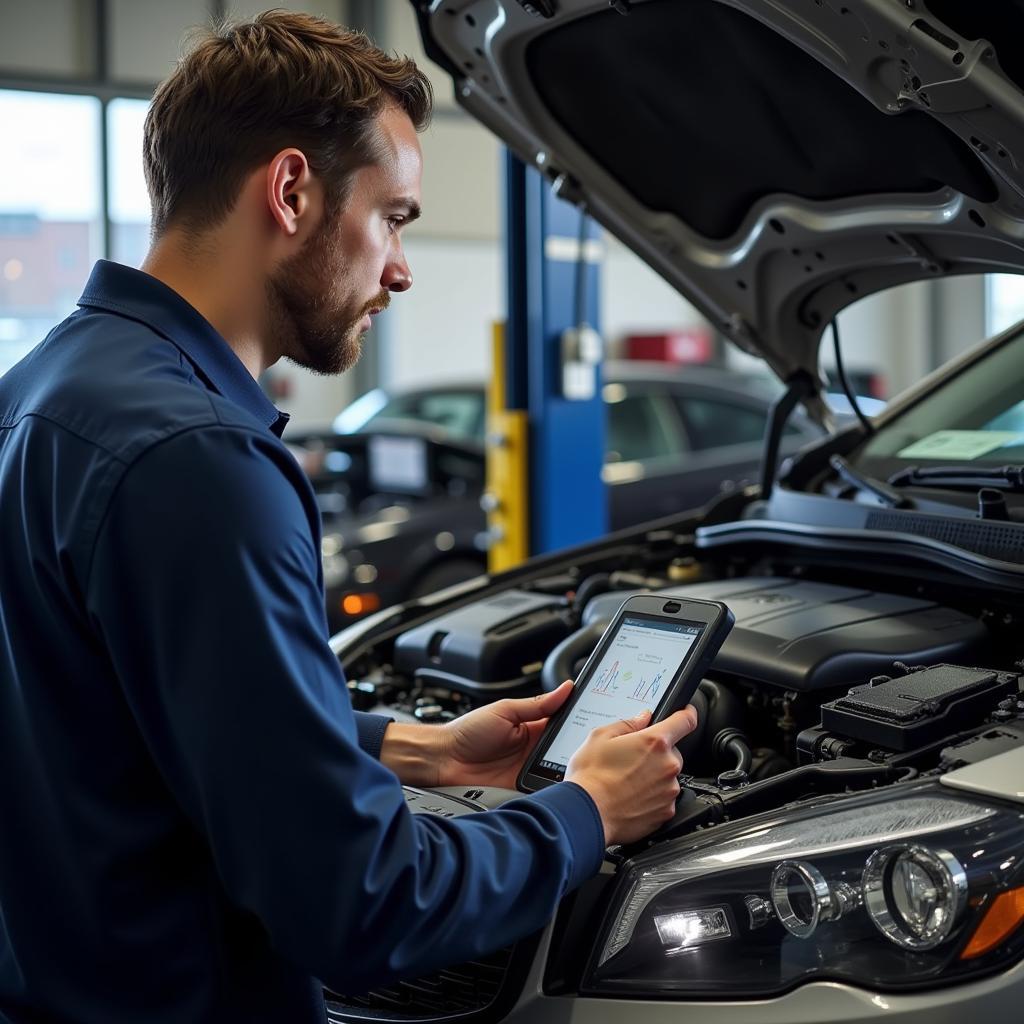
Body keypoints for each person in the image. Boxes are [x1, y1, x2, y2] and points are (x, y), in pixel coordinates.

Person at [0, 11, 697, 1023]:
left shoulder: (42, 388)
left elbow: (107, 715)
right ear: (290, 192)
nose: (402, 268)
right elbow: (360, 903)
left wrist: (409, 747)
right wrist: (585, 811)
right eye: (395, 217)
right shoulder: (203, 460)